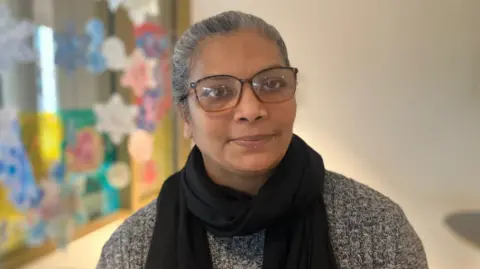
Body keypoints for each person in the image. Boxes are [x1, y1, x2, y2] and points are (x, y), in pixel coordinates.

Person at [97, 11, 429, 269]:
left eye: (271, 84)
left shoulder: (377, 228)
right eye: (217, 91)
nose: (251, 109)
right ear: (186, 117)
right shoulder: (131, 249)